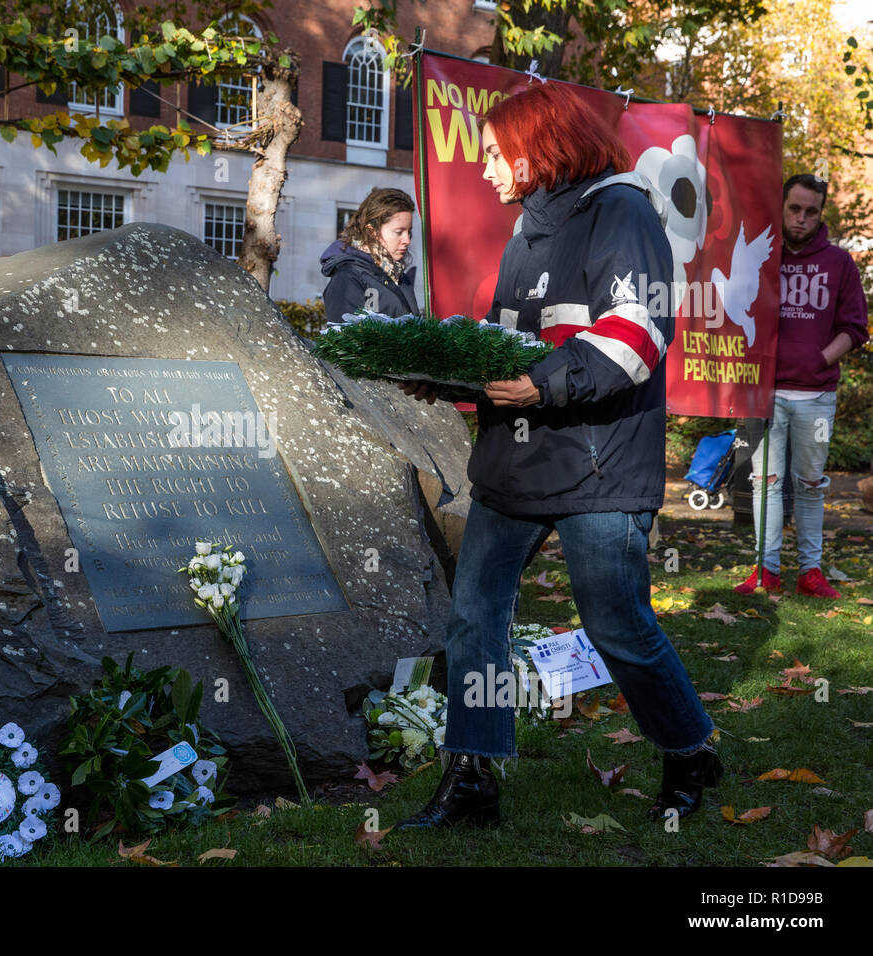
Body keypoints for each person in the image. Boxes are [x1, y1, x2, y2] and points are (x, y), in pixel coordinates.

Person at [399, 82, 721, 829]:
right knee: (473, 618)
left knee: (616, 625)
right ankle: (471, 777)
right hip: (514, 466)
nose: (486, 168)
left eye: (495, 152)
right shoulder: (528, 230)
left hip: (599, 468)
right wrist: (446, 374)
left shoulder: (624, 211)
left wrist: (541, 385)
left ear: (537, 147)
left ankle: (688, 747)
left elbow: (637, 334)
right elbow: (507, 350)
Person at [734, 174, 869, 598]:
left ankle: (810, 572)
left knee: (811, 484)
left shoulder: (839, 263)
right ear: (781, 206)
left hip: (816, 396)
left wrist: (820, 359)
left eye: (811, 211)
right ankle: (766, 570)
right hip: (764, 392)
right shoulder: (761, 257)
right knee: (765, 483)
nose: (801, 218)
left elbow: (855, 328)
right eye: (794, 208)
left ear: (821, 213)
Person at [320, 188, 419, 321]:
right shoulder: (347, 277)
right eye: (399, 232)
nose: (407, 240)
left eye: (409, 232)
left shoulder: (400, 277)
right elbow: (347, 332)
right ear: (372, 231)